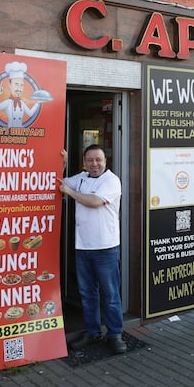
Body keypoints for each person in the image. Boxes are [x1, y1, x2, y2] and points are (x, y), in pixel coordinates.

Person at [58, 145, 127, 354]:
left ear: (105, 161)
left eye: (98, 160)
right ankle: (92, 332)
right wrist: (61, 164)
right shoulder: (81, 178)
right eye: (90, 160)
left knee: (111, 295)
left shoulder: (111, 181)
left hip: (106, 248)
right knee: (87, 294)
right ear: (84, 162)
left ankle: (115, 334)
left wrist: (70, 192)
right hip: (83, 247)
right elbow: (59, 183)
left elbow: (95, 202)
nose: (94, 164)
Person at [0, 61, 39, 127]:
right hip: (10, 131)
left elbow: (30, 113)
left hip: (20, 131)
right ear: (10, 85)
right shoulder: (8, 102)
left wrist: (37, 103)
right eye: (16, 84)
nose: (19, 88)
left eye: (21, 85)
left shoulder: (21, 102)